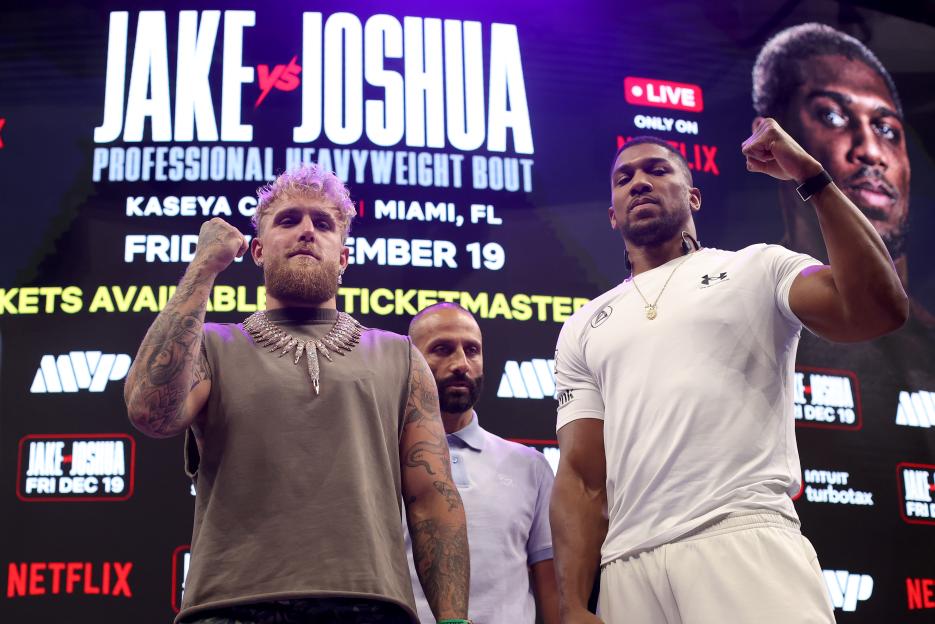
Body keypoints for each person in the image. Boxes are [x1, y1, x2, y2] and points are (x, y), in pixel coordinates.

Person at [549, 120, 908, 623]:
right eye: (624, 178)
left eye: (657, 171)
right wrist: (571, 604)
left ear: (693, 197)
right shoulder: (583, 325)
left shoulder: (757, 267)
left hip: (740, 535)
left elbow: (877, 309)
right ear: (612, 214)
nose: (640, 183)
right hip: (627, 566)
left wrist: (812, 178)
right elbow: (581, 476)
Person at [124, 164, 470, 624]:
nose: (307, 230)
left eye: (322, 223)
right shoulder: (210, 346)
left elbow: (432, 497)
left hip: (369, 606)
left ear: (343, 257)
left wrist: (453, 620)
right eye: (289, 220)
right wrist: (203, 268)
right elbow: (150, 412)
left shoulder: (401, 356)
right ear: (258, 250)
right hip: (230, 606)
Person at [752, 22, 935, 429]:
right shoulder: (753, 304)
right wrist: (813, 179)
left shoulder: (925, 336)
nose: (871, 151)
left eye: (887, 130)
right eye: (832, 116)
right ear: (769, 134)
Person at [403, 303, 560, 624]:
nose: (461, 364)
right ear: (409, 362)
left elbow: (553, 591)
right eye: (442, 349)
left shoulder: (530, 467)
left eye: (472, 350)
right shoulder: (381, 463)